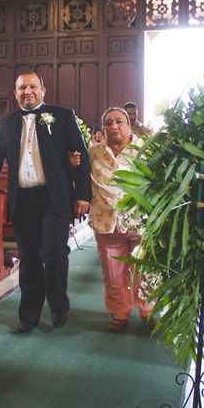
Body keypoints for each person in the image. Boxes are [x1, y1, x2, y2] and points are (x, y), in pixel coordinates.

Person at [0, 72, 91, 334]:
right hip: (23, 199)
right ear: (15, 93)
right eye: (22, 87)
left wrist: (83, 194)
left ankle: (59, 305)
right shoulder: (5, 124)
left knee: (54, 253)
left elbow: (80, 156)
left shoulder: (62, 116)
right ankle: (29, 315)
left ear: (43, 90)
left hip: (54, 198)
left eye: (33, 86)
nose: (28, 91)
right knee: (29, 260)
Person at [88, 107, 154, 333]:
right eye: (108, 123)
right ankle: (119, 314)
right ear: (103, 127)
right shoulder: (93, 153)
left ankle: (149, 312)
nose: (114, 126)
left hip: (140, 223)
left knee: (145, 273)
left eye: (119, 121)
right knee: (113, 275)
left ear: (129, 125)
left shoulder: (145, 150)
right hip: (106, 223)